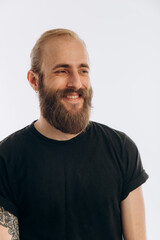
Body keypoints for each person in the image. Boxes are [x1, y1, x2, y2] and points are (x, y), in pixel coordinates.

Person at [0, 28, 149, 240]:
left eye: (83, 70)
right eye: (62, 71)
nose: (76, 83)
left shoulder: (122, 149)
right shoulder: (6, 158)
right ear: (34, 80)